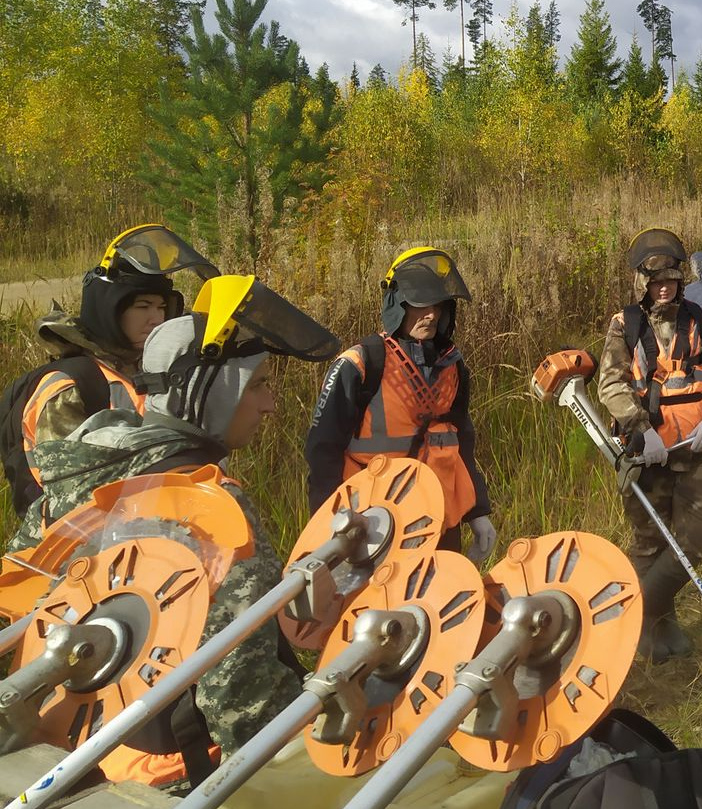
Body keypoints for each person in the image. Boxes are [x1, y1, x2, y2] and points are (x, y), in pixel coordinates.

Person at [14, 274, 340, 788]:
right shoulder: (211, 504)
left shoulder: (77, 479)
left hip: (65, 760)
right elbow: (239, 695)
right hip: (174, 773)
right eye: (256, 385)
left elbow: (18, 603)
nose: (270, 404)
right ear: (208, 394)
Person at [304, 247, 495, 561]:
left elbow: (462, 443)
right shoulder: (362, 362)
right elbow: (322, 449)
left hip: (442, 524)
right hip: (375, 526)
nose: (431, 314)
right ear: (397, 305)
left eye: (437, 305)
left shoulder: (453, 367)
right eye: (418, 305)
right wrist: (326, 528)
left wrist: (477, 512)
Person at [597, 229, 702, 663]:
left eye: (671, 280)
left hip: (696, 449)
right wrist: (641, 429)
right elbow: (610, 384)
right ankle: (659, 632)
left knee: (697, 537)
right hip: (647, 453)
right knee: (650, 544)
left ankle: (640, 616)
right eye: (656, 281)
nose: (664, 287)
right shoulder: (625, 325)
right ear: (642, 282)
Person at [11, 225, 216, 501]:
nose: (156, 318)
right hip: (75, 536)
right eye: (143, 307)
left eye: (162, 307)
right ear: (109, 310)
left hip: (150, 523)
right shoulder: (70, 386)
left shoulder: (152, 370)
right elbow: (67, 488)